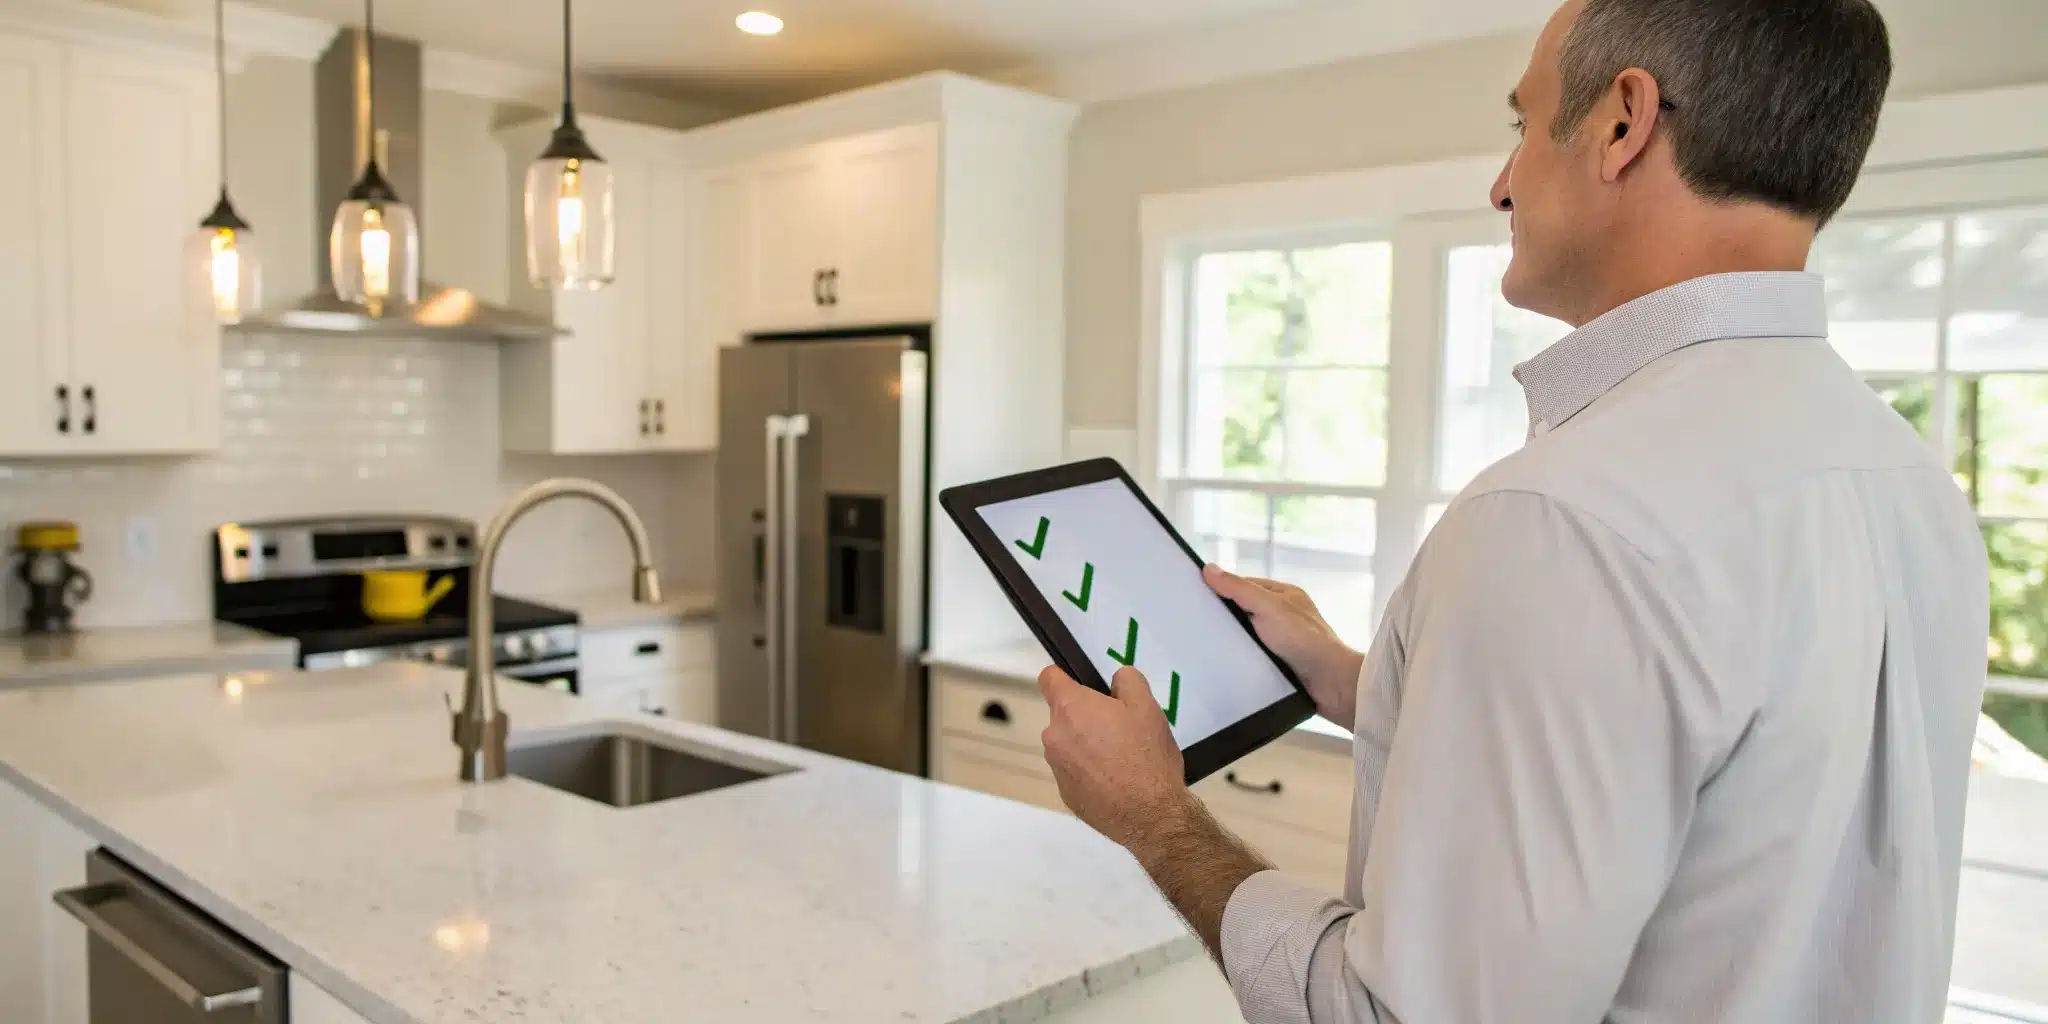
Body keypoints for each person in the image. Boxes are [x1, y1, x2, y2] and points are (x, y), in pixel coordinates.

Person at [1032, 0, 1991, 1020]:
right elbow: (1717, 773)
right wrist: (1363, 681)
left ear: (1622, 123)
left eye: (1522, 124)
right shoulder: (1905, 478)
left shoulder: (1561, 516)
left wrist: (1155, 818)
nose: (1501, 183)